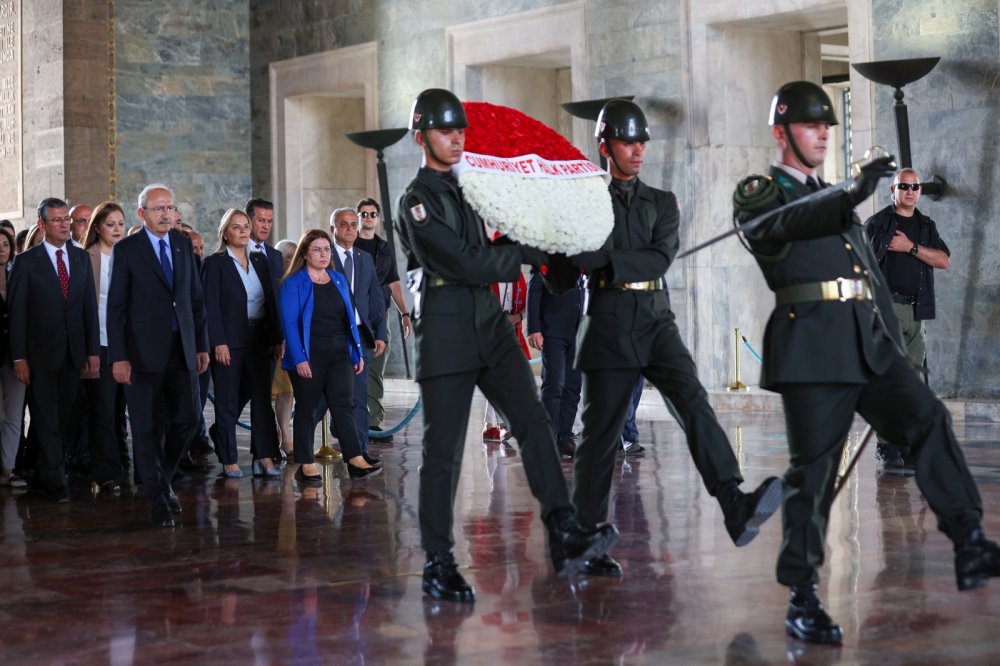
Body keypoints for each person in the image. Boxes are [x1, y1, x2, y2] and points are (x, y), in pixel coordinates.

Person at [732, 80, 1000, 644]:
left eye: (828, 125)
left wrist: (894, 347)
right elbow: (777, 229)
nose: (823, 134)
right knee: (814, 474)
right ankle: (802, 597)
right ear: (781, 134)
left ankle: (968, 538)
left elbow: (870, 277)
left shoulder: (836, 198)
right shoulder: (760, 194)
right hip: (811, 346)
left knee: (928, 417)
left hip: (871, 341)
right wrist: (854, 191)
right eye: (811, 125)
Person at [396, 88, 617, 603]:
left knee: (535, 422)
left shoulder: (471, 189)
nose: (456, 141)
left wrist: (555, 254)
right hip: (447, 325)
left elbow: (493, 244)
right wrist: (520, 253)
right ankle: (438, 561)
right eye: (446, 132)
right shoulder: (417, 201)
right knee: (443, 452)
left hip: (489, 321)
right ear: (421, 136)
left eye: (460, 132)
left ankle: (563, 532)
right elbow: (466, 263)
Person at [567, 99, 780, 578]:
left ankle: (734, 502)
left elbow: (658, 259)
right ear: (605, 147)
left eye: (643, 141)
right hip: (606, 320)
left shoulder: (662, 202)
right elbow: (576, 259)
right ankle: (584, 539)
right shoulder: (584, 201)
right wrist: (592, 255)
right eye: (628, 141)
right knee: (599, 436)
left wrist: (606, 258)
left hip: (656, 318)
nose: (639, 149)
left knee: (693, 400)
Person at [107, 183, 209, 527]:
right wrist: (118, 357)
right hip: (139, 355)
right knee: (147, 428)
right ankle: (157, 499)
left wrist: (201, 345)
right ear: (142, 214)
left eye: (170, 208)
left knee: (188, 419)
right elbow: (116, 308)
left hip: (182, 352)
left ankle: (161, 480)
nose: (166, 214)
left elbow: (195, 302)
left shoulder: (182, 245)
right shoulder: (128, 250)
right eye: (158, 209)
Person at [7, 198, 100, 502]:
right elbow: (18, 313)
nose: (65, 225)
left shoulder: (81, 259)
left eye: (67, 219)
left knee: (64, 417)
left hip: (74, 354)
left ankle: (47, 469)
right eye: (58, 220)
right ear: (43, 225)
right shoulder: (26, 262)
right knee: (45, 418)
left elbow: (88, 309)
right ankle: (54, 479)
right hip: (39, 357)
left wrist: (92, 352)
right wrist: (19, 357)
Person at [864, 168, 950, 471]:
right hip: (885, 308)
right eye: (904, 186)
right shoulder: (877, 222)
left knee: (912, 381)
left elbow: (943, 259)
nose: (911, 191)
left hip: (917, 311)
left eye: (915, 187)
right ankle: (887, 446)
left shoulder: (926, 226)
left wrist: (909, 247)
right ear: (893, 190)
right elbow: (858, 265)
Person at [278, 229, 379, 485]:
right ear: (304, 253)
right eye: (317, 250)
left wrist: (356, 351)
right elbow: (289, 324)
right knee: (307, 408)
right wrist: (300, 359)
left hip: (339, 352)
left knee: (344, 405)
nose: (323, 254)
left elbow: (349, 319)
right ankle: (306, 463)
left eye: (326, 249)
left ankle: (355, 459)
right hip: (309, 353)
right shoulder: (293, 282)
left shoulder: (337, 278)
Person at [202, 209, 283, 479]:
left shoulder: (261, 260)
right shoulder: (215, 263)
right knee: (226, 400)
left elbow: (272, 302)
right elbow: (210, 306)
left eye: (246, 226)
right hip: (230, 341)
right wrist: (219, 342)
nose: (244, 231)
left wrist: (277, 338)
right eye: (236, 227)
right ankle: (229, 459)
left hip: (260, 340)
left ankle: (265, 457)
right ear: (225, 233)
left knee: (261, 401)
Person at [327, 207, 387, 465]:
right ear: (333, 229)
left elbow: (375, 298)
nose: (350, 229)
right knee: (327, 398)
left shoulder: (363, 258)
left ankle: (360, 450)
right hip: (333, 336)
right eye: (344, 224)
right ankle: (308, 451)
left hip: (362, 338)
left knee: (360, 396)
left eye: (353, 224)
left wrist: (380, 334)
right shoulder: (324, 256)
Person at [354, 197, 411, 444]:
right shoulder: (349, 244)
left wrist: (404, 313)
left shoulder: (385, 248)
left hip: (380, 316)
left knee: (376, 368)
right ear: (358, 217)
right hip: (354, 315)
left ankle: (374, 421)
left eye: (372, 214)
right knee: (352, 368)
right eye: (364, 214)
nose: (368, 218)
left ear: (378, 218)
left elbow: (393, 281)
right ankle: (348, 420)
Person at [82, 202, 128, 494]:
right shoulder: (86, 258)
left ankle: (124, 463)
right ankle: (107, 473)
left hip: (129, 346)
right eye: (110, 224)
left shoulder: (132, 256)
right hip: (99, 343)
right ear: (97, 227)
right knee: (103, 410)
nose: (117, 230)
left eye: (121, 224)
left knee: (123, 410)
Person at [526, 268, 583, 459]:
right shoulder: (548, 254)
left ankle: (565, 438)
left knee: (573, 387)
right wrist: (534, 328)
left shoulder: (585, 257)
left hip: (579, 330)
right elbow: (534, 290)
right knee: (554, 384)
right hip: (552, 330)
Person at [482, 267, 530, 442]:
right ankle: (502, 424)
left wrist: (517, 317)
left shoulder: (517, 276)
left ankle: (491, 425)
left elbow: (528, 302)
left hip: (512, 328)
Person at [0, 227, 27, 489]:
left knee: (13, 414)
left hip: (16, 355)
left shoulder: (18, 274)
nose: (1, 249)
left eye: (5, 245)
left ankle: (8, 468)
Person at [272, 239, 297, 457]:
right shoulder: (274, 281)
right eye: (288, 256)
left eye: (294, 256)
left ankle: (285, 437)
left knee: (287, 392)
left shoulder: (298, 280)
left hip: (293, 343)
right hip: (274, 342)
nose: (291, 261)